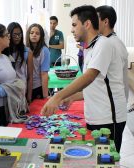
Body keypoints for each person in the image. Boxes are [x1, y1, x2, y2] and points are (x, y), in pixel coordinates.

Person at [41, 5, 126, 152]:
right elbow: (97, 85)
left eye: (74, 25)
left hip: (109, 117)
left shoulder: (104, 43)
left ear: (87, 24)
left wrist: (57, 97)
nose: (72, 30)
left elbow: (89, 77)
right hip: (96, 115)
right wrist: (73, 97)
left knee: (107, 165)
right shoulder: (90, 47)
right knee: (98, 164)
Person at [96, 5, 129, 100]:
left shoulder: (114, 44)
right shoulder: (105, 41)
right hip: (107, 99)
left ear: (105, 22)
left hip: (113, 101)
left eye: (95, 19)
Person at [4, 22, 34, 103]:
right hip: (7, 89)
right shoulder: (4, 51)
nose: (17, 37)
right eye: (14, 35)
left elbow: (30, 76)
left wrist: (29, 97)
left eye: (20, 34)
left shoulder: (27, 51)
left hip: (21, 90)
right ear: (9, 35)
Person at [26, 23, 50, 100]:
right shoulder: (25, 49)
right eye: (32, 33)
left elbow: (44, 74)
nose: (34, 35)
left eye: (37, 33)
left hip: (37, 87)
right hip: (25, 87)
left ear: (41, 36)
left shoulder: (44, 50)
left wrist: (45, 96)